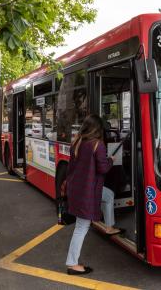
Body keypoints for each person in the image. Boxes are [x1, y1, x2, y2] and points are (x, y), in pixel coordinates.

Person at [65, 114, 121, 275]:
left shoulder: (77, 142)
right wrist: (110, 159)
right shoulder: (98, 145)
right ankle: (72, 263)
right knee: (82, 227)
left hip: (78, 188)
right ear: (98, 129)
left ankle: (109, 227)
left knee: (108, 196)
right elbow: (103, 168)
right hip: (87, 192)